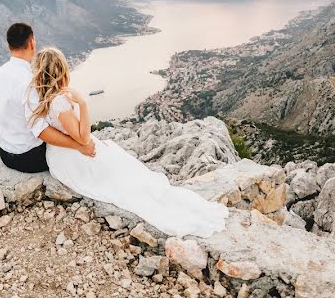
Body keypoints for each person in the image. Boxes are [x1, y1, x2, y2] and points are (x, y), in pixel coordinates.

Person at [27, 47, 229, 237]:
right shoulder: (60, 101)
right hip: (71, 160)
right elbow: (83, 138)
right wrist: (83, 103)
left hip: (59, 154)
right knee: (127, 177)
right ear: (62, 70)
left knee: (119, 162)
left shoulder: (43, 97)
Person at [0, 23, 96, 173]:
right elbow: (41, 131)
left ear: (9, 46)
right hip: (28, 157)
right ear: (32, 42)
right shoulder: (29, 82)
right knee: (82, 155)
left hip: (5, 152)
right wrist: (79, 146)